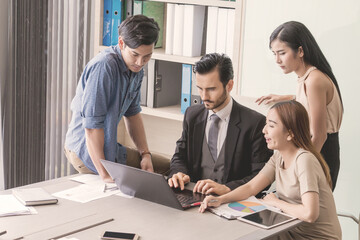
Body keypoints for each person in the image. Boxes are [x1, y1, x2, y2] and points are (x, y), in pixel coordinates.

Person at [200, 101, 342, 240]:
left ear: (290, 134)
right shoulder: (279, 156)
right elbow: (251, 187)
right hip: (290, 231)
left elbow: (310, 214)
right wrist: (220, 200)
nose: (264, 130)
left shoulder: (304, 160)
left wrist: (276, 202)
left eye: (271, 125)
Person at [64, 15, 160, 182]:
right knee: (140, 185)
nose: (140, 62)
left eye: (147, 56)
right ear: (121, 43)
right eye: (135, 54)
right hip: (86, 151)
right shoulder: (104, 67)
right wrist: (106, 175)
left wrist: (145, 154)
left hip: (110, 148)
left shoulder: (137, 69)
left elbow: (133, 113)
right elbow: (92, 128)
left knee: (164, 168)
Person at [168, 53, 272, 196]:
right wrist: (179, 173)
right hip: (195, 199)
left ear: (229, 85)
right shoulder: (192, 115)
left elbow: (264, 176)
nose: (204, 97)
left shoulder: (255, 123)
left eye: (211, 89)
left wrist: (228, 188)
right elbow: (180, 156)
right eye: (200, 88)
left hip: (234, 203)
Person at [256, 21, 343, 190]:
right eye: (274, 53)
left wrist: (298, 167)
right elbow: (311, 102)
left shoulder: (314, 80)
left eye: (282, 53)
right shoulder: (307, 77)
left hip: (320, 152)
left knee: (306, 212)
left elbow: (319, 136)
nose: (277, 60)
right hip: (312, 149)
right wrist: (285, 97)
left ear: (300, 51)